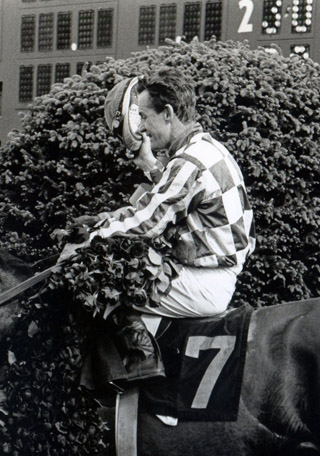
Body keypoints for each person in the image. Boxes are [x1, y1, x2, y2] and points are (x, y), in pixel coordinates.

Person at [63, 71, 255, 384]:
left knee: (94, 275)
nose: (138, 127)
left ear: (167, 114)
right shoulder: (205, 148)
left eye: (143, 116)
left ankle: (143, 360)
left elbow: (147, 223)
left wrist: (90, 240)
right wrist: (145, 169)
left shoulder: (189, 161)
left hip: (204, 282)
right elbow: (168, 200)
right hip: (214, 272)